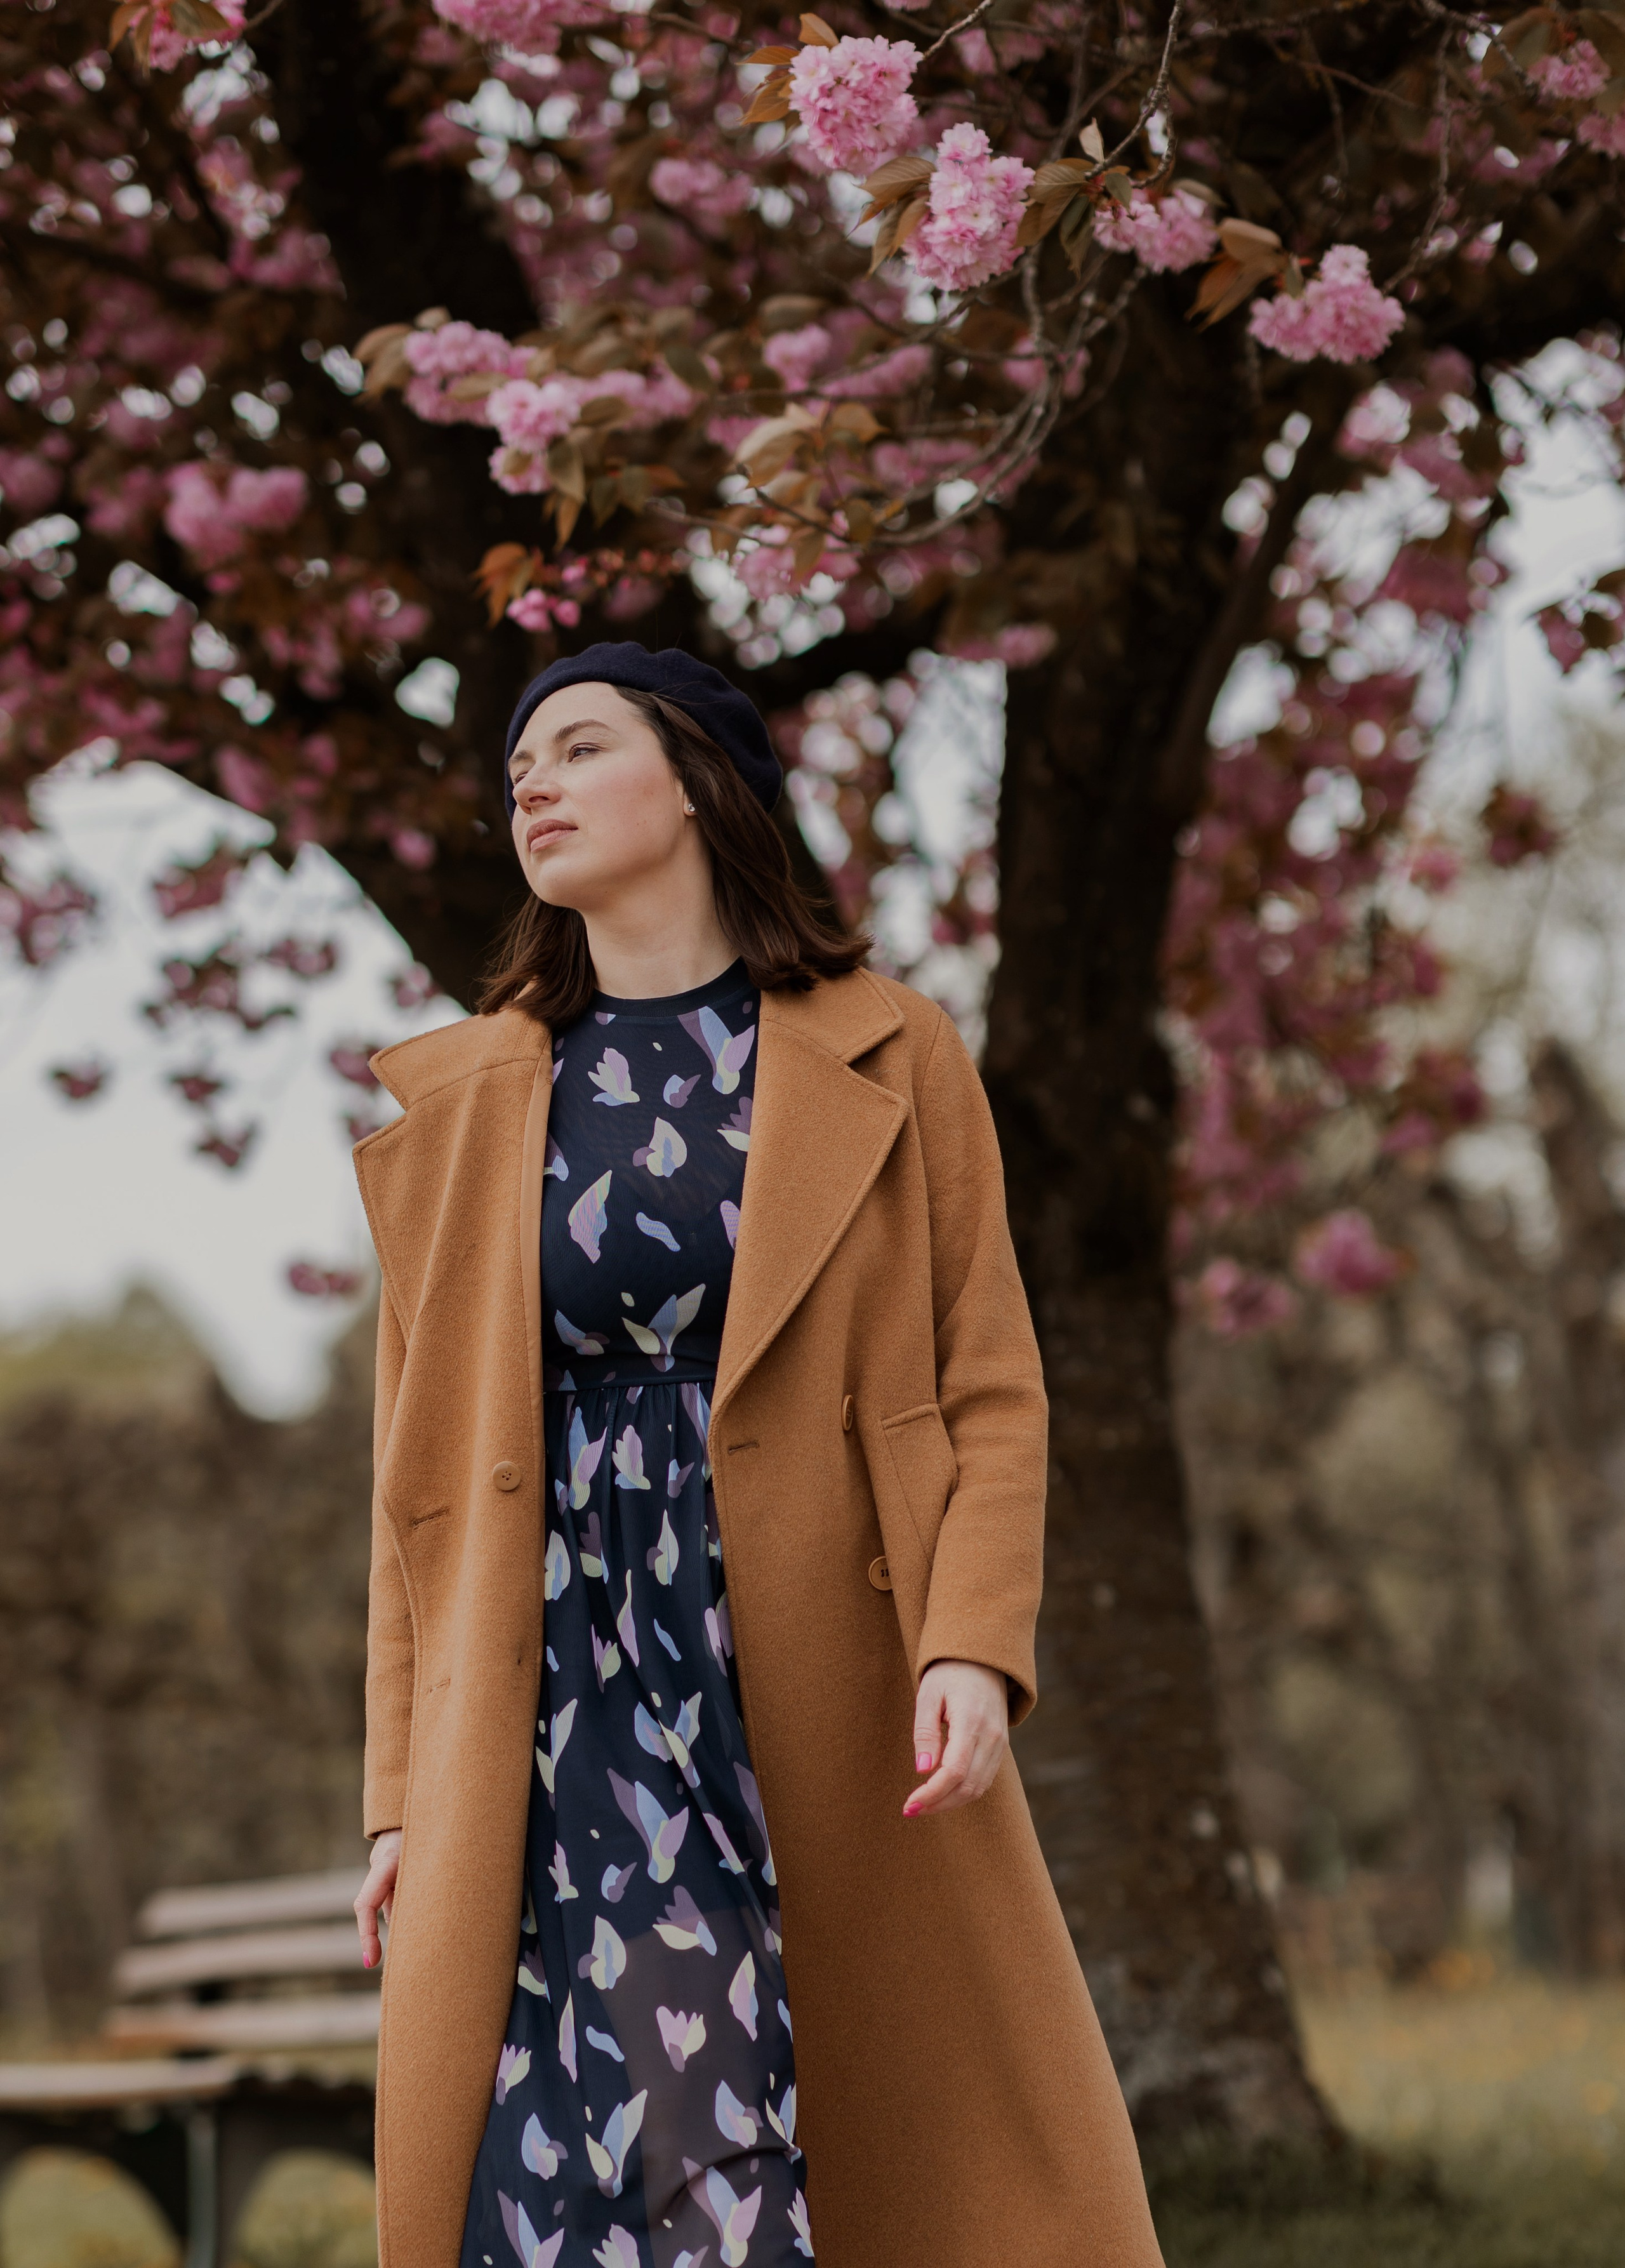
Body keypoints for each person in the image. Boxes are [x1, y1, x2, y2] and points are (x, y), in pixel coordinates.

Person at [350, 643, 1165, 2268]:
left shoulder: (887, 1050)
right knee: (600, 2126)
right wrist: (395, 1793)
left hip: (807, 1660)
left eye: (579, 747)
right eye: (521, 762)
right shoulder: (468, 1101)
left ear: (702, 783)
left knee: (752, 2108)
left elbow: (988, 1384)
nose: (533, 781)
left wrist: (969, 1642)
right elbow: (414, 1490)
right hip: (556, 1683)